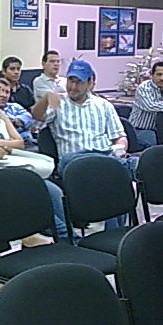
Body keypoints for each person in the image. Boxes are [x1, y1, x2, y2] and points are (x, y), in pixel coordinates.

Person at [0, 72, 68, 243]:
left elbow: (20, 142)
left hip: (10, 167)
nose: (3, 94)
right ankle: (62, 237)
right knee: (35, 192)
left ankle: (66, 235)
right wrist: (6, 147)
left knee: (54, 191)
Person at [32, 59, 136, 231]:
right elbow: (36, 118)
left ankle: (116, 232)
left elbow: (119, 137)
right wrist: (45, 99)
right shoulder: (59, 103)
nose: (73, 87)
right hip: (73, 162)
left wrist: (121, 149)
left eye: (78, 82)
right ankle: (127, 167)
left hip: (103, 158)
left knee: (114, 179)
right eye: (70, 81)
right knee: (116, 170)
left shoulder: (103, 105)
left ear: (90, 83)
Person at [0, 78, 34, 144]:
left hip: (26, 141)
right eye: (1, 91)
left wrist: (16, 121)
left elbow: (29, 117)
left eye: (7, 92)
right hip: (5, 142)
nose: (4, 95)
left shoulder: (14, 106)